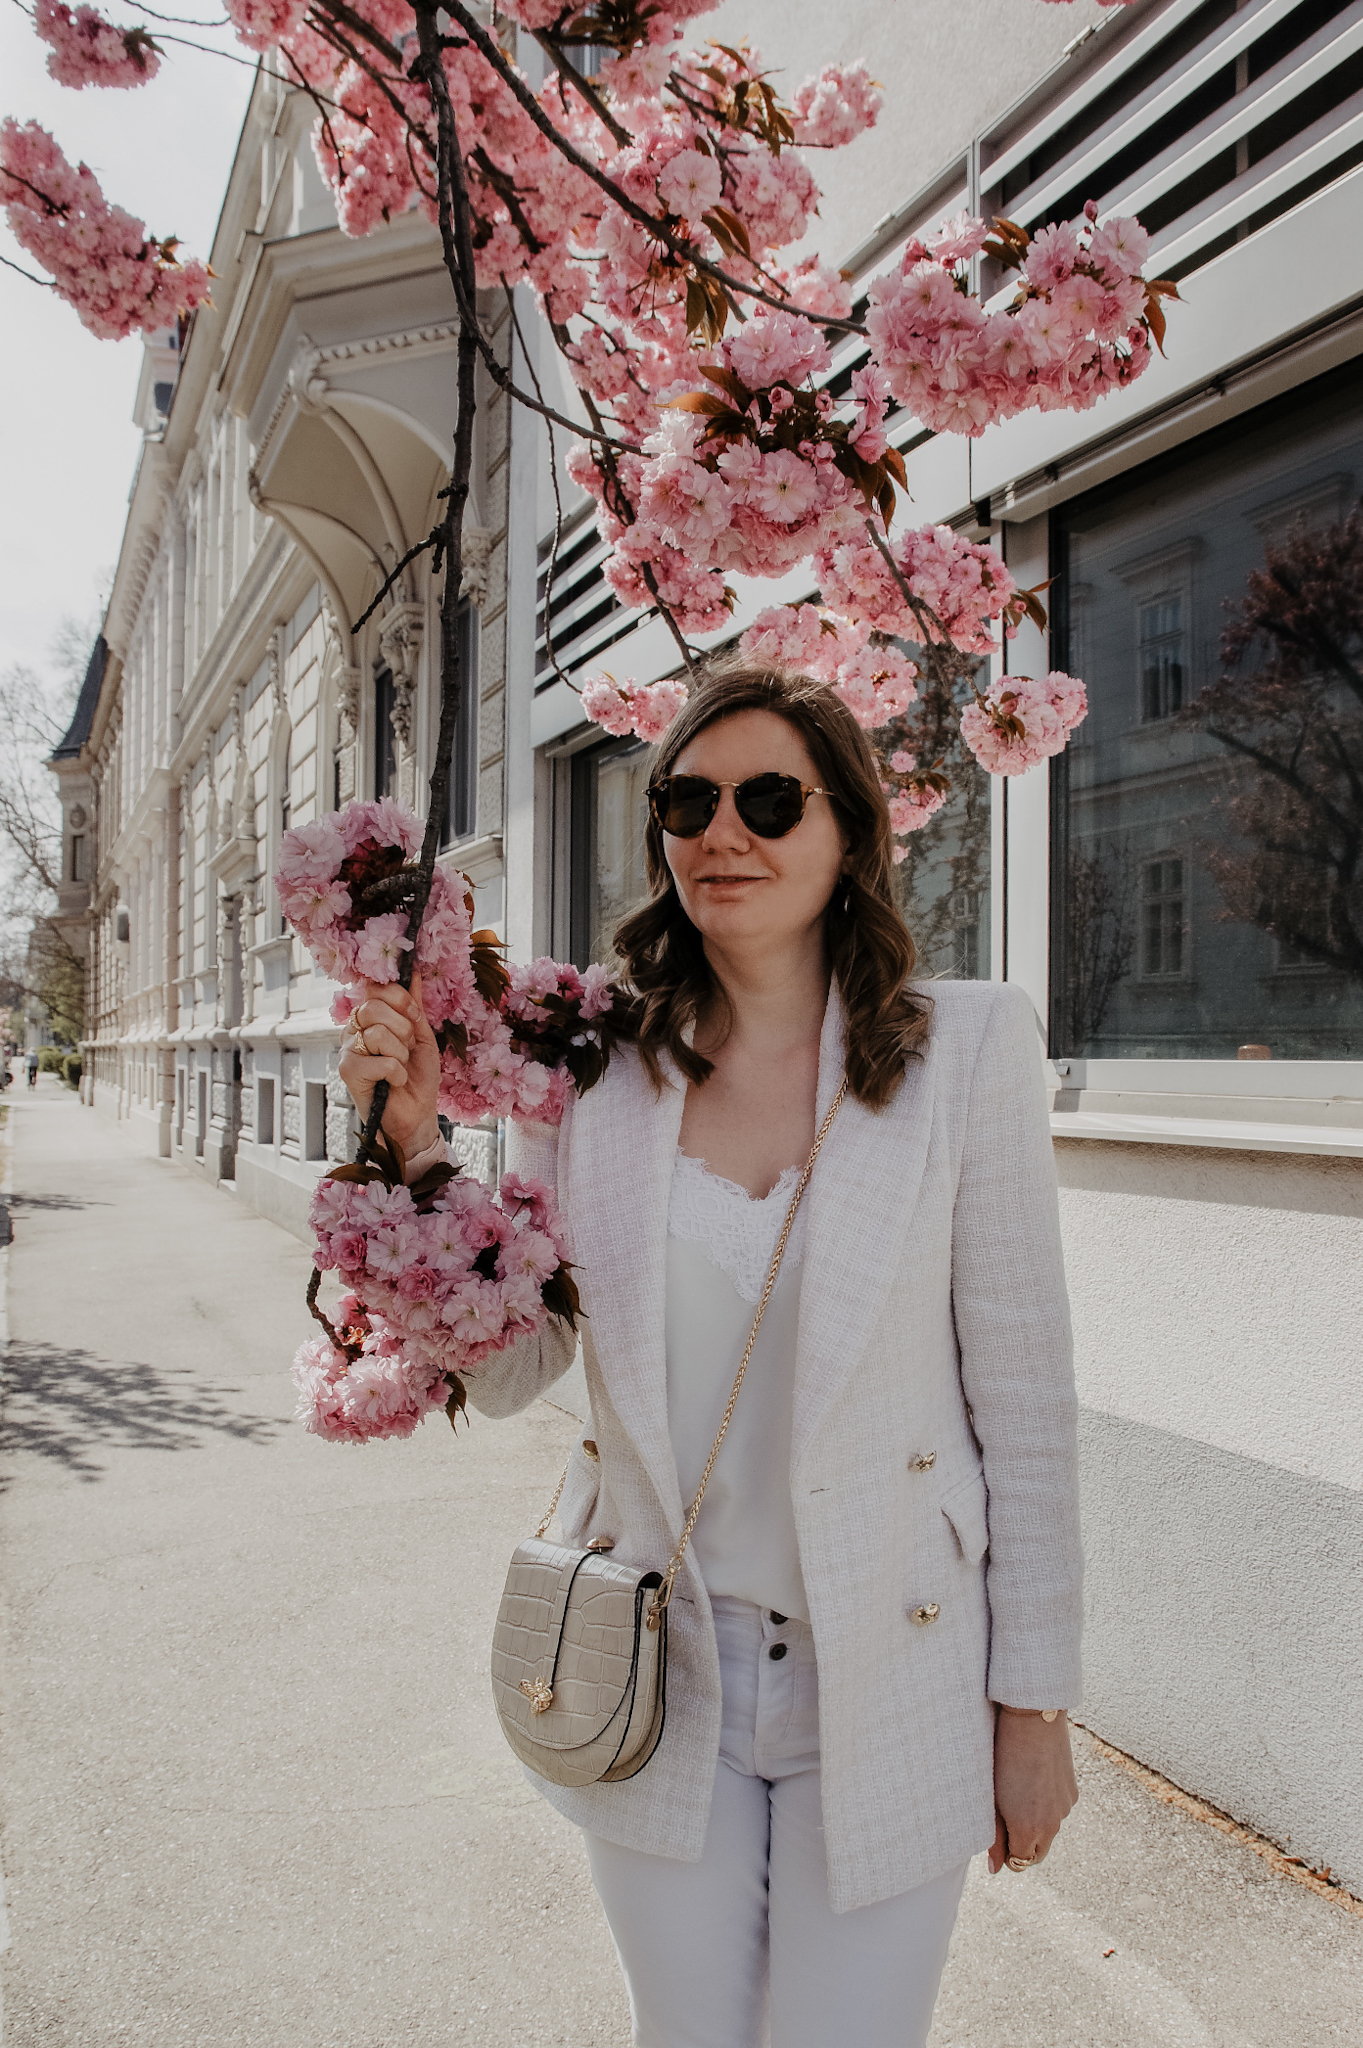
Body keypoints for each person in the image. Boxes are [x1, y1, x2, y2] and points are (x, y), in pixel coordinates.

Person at [340, 661, 1081, 2048]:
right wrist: (422, 1156)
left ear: (847, 832)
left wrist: (1035, 1707)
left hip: (896, 1663)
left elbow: (1028, 1407)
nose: (721, 831)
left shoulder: (965, 1055)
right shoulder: (599, 1073)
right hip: (662, 1663)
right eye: (688, 799)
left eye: (767, 799)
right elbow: (514, 1370)